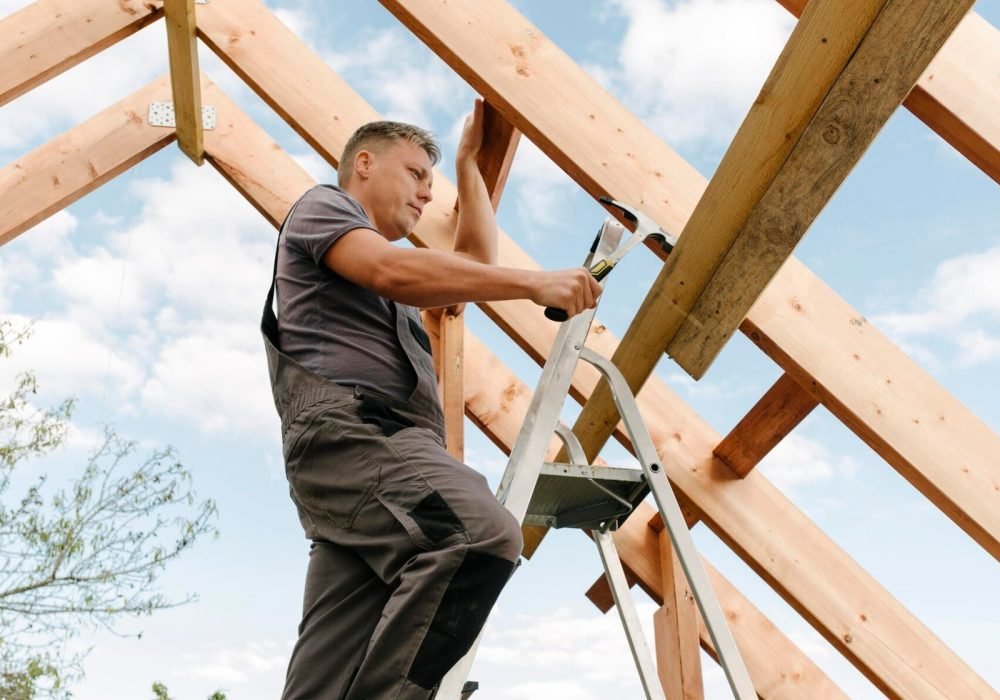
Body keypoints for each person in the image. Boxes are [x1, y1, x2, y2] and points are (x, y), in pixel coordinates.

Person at [261, 99, 602, 700]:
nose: (425, 193)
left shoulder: (389, 275)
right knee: (479, 534)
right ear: (364, 163)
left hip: (359, 479)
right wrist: (534, 282)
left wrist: (470, 166)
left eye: (432, 182)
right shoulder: (324, 208)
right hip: (357, 437)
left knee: (326, 672)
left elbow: (471, 265)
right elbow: (392, 272)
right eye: (416, 173)